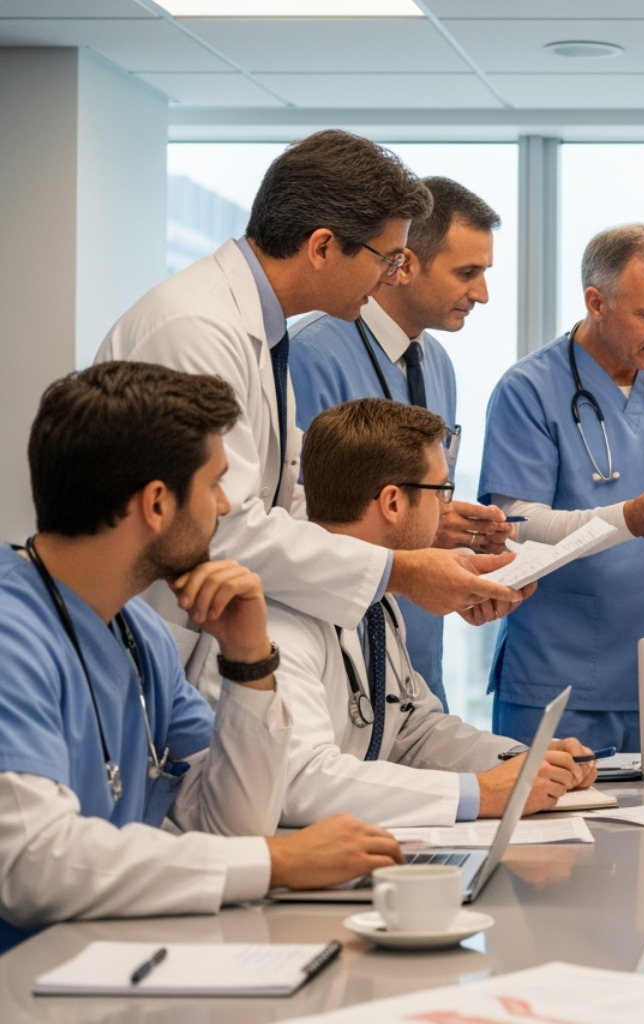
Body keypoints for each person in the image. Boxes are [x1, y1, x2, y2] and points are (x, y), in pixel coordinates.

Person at [97, 130, 522, 699]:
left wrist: (417, 551)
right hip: (156, 645)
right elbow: (222, 525)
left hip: (204, 644)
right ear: (323, 247)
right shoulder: (197, 329)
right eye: (388, 258)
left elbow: (294, 495)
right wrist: (401, 571)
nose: (392, 276)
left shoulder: (262, 333)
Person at [0, 363, 403, 953]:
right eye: (215, 484)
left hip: (106, 963)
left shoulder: (141, 632)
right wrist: (275, 861)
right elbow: (34, 864)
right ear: (157, 504)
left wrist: (247, 660)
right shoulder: (13, 635)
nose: (222, 506)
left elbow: (233, 823)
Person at [269, 399, 598, 828]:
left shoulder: (377, 600)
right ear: (391, 502)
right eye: (442, 491)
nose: (448, 509)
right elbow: (301, 783)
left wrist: (527, 764)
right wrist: (483, 793)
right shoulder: (280, 618)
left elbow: (413, 729)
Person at [478, 225, 644, 751]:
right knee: (554, 830)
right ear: (596, 302)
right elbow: (516, 525)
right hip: (559, 676)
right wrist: (628, 520)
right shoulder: (528, 390)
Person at [289, 177, 513, 710]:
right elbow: (300, 519)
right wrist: (424, 530)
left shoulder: (438, 364)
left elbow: (415, 498)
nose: (482, 293)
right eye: (467, 273)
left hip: (418, 651)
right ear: (402, 264)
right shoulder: (310, 354)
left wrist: (454, 551)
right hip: (341, 648)